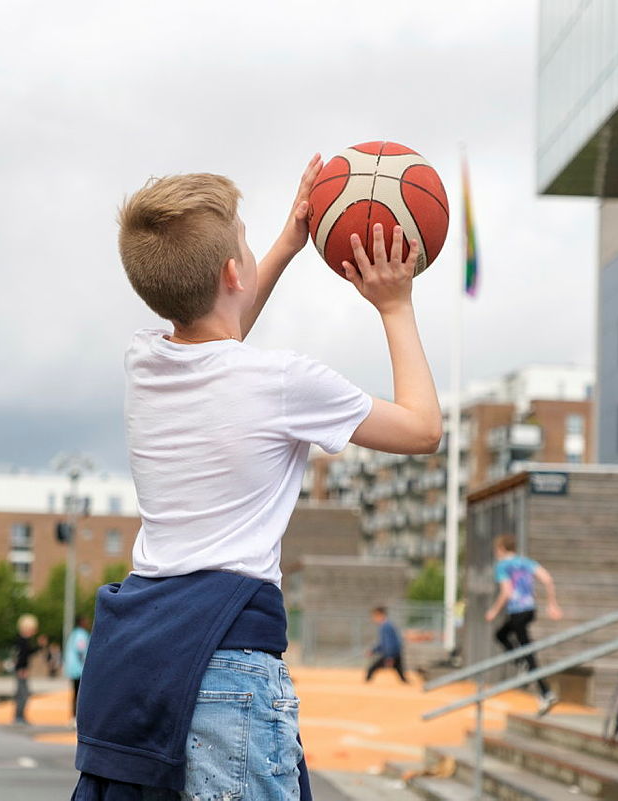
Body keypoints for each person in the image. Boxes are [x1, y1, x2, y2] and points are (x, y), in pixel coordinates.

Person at [72, 158, 442, 801]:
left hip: (136, 660)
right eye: (245, 239)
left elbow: (221, 323)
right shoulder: (283, 382)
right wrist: (396, 305)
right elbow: (421, 429)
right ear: (232, 272)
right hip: (227, 658)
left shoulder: (145, 362)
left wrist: (286, 243)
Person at [484, 534, 563, 716]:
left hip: (517, 611)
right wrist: (552, 604)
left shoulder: (502, 566)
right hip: (529, 610)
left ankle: (544, 690)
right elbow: (547, 579)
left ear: (502, 549)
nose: (496, 554)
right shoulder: (525, 562)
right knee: (511, 639)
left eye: (496, 550)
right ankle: (534, 677)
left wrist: (494, 611)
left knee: (512, 642)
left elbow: (506, 591)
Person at [12, 614, 45, 725]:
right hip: (21, 670)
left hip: (22, 669)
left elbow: (29, 652)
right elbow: (22, 656)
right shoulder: (22, 640)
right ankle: (19, 717)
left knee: (22, 694)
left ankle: (20, 716)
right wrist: (22, 669)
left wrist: (40, 646)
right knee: (23, 694)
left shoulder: (23, 640)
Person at [365, 607, 409, 684]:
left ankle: (367, 684)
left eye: (375, 616)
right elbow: (384, 643)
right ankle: (405, 682)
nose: (374, 619)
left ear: (380, 615)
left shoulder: (386, 626)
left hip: (391, 653)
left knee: (372, 668)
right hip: (396, 652)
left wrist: (389, 657)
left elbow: (388, 643)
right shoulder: (388, 625)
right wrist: (373, 650)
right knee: (400, 671)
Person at [63, 616, 91, 724]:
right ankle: (76, 718)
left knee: (76, 694)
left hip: (73, 668)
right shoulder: (81, 634)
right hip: (79, 669)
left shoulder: (74, 634)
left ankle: (74, 717)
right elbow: (81, 651)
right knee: (79, 695)